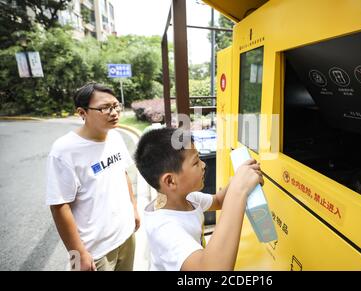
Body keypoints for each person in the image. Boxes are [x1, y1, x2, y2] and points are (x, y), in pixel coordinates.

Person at [134, 127, 263, 270]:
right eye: (196, 162)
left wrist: (241, 176)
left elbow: (219, 200)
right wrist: (239, 190)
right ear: (170, 181)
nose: (203, 165)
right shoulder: (164, 229)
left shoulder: (189, 198)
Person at [46, 82, 140, 271]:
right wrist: (77, 252)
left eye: (115, 106)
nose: (114, 113)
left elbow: (123, 174)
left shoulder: (115, 136)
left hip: (126, 236)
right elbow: (59, 205)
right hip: (94, 250)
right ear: (82, 113)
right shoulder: (64, 150)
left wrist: (134, 209)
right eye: (105, 108)